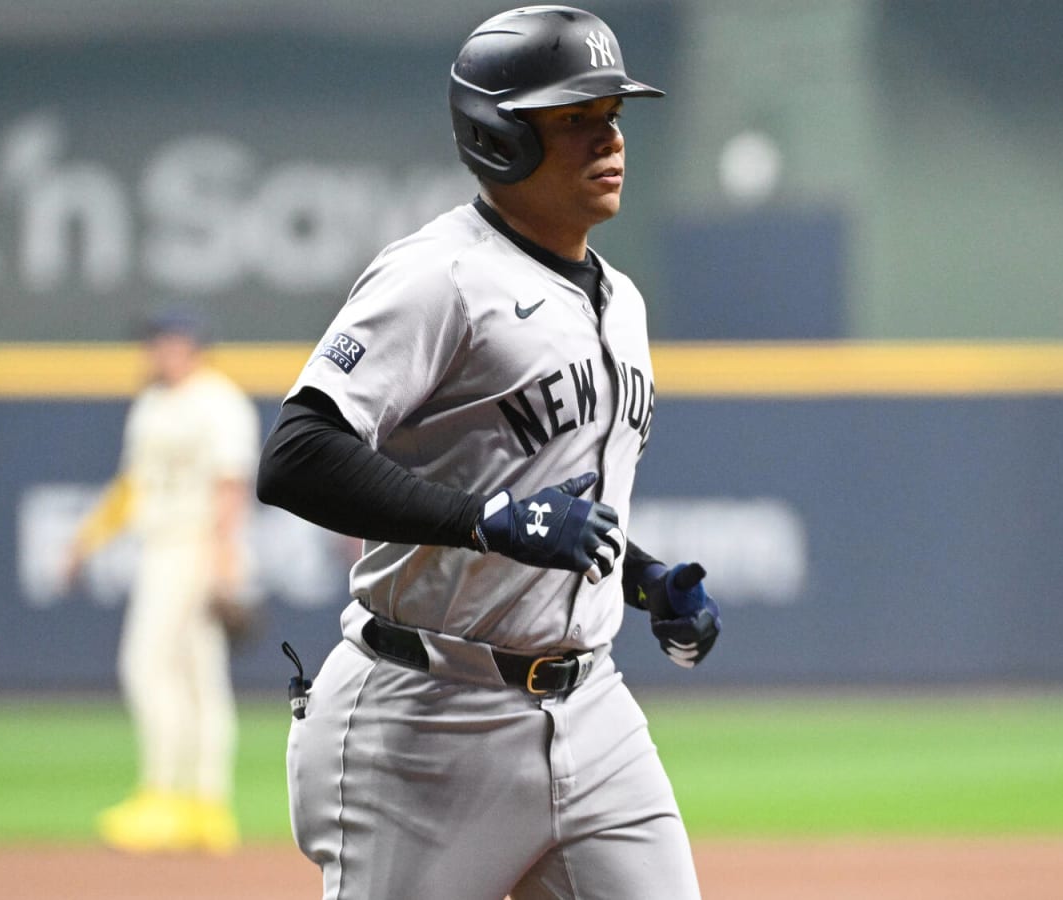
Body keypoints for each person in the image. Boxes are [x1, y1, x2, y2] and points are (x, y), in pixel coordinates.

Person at [254, 6, 722, 898]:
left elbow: (541, 501)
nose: (609, 139)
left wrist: (642, 576)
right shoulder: (439, 276)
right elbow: (298, 453)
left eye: (613, 116)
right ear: (500, 137)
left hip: (592, 707)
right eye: (575, 119)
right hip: (425, 725)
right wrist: (489, 522)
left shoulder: (621, 300)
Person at [64, 309, 261, 855]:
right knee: (194, 674)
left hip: (195, 546)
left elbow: (230, 487)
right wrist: (87, 538)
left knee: (150, 665)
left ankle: (172, 799)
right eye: (152, 343)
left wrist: (224, 561)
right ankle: (201, 805)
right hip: (164, 545)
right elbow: (135, 485)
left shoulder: (218, 400)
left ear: (192, 345)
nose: (155, 352)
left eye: (165, 342)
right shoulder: (152, 402)